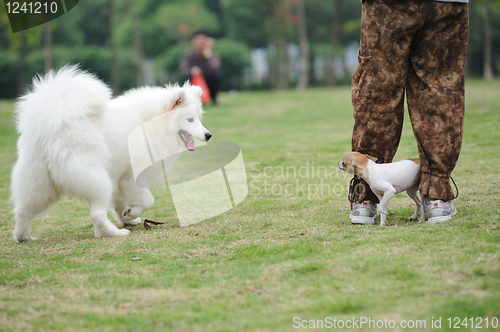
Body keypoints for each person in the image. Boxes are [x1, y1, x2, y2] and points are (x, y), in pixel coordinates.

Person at [348, 0, 469, 224]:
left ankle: (365, 197)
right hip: (445, 4)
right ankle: (436, 195)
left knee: (377, 90)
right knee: (439, 89)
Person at [181, 29, 222, 105]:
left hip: (208, 81)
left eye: (203, 39)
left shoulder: (212, 54)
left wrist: (207, 53)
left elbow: (215, 68)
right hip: (195, 81)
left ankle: (213, 98)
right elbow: (183, 71)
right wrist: (191, 70)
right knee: (188, 78)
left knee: (217, 75)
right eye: (198, 39)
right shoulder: (189, 55)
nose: (200, 42)